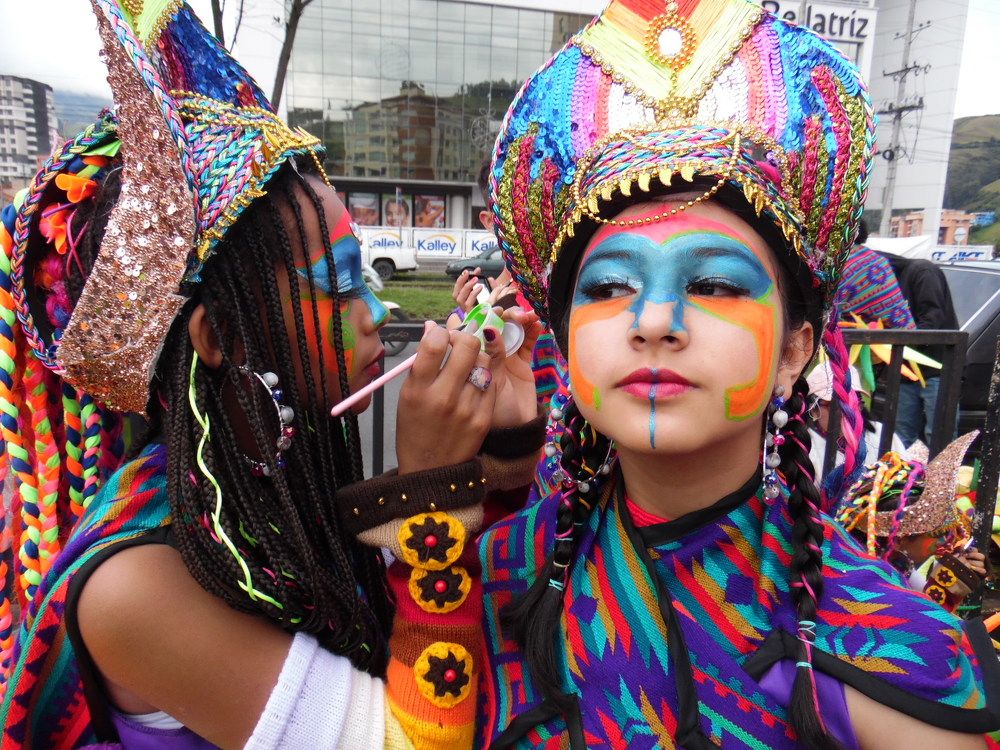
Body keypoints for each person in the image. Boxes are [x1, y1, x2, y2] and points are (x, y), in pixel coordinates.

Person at [0, 2, 543, 747]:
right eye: (340, 283)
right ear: (219, 337)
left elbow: (476, 624)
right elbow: (416, 739)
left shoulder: (270, 479)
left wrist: (502, 451)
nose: (375, 311)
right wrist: (427, 491)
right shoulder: (137, 585)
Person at [478, 0, 1000, 747]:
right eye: (609, 286)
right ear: (565, 343)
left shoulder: (891, 652)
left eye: (716, 284)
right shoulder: (495, 574)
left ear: (795, 350)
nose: (654, 319)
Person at [837, 432, 988, 614]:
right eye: (936, 534)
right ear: (899, 539)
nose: (945, 543)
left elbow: (922, 599)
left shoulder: (895, 562)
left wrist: (958, 575)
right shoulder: (863, 577)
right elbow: (921, 620)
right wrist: (947, 586)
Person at [884, 253, 961, 446]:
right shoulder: (892, 282)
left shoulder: (922, 272)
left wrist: (896, 341)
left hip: (937, 367)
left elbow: (932, 319)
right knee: (901, 438)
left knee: (939, 438)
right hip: (906, 370)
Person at [806, 362, 906, 482]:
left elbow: (905, 476)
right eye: (834, 406)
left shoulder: (881, 433)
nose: (845, 413)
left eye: (852, 403)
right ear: (814, 409)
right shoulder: (807, 446)